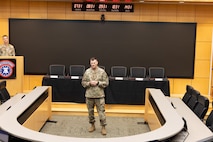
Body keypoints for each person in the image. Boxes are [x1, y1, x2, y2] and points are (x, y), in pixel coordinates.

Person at [81, 57, 109, 135]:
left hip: (99, 96)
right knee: (90, 112)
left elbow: (106, 83)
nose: (93, 64)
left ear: (97, 63)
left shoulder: (102, 72)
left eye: (94, 63)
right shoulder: (87, 72)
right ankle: (92, 125)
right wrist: (89, 83)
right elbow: (83, 83)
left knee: (101, 113)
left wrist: (98, 83)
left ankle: (103, 127)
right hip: (89, 96)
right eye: (91, 63)